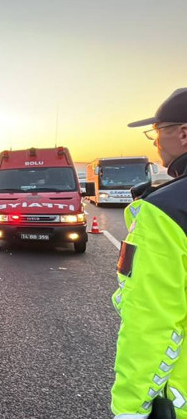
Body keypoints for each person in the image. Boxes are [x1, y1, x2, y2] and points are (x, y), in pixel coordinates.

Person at [111, 88, 187, 418]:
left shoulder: (167, 209)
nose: (155, 143)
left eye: (158, 133)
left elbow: (151, 319)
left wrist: (131, 408)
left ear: (183, 133)